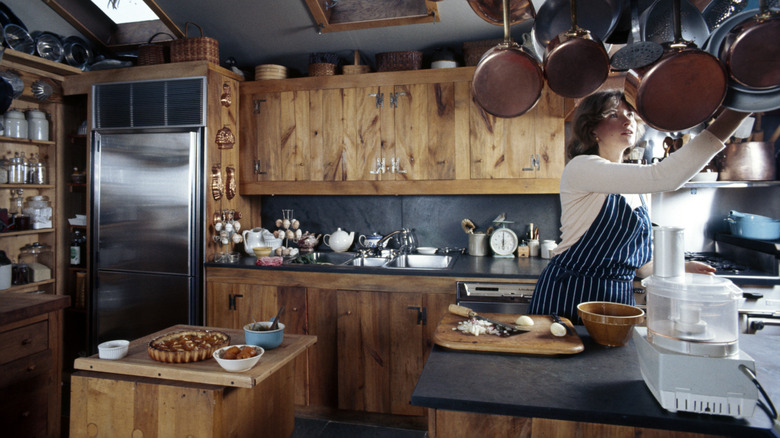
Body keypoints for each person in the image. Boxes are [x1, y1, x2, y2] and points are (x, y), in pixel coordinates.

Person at [528, 90, 750, 323]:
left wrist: (681, 266)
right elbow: (667, 176)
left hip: (618, 302)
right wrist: (739, 111)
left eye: (631, 115)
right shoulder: (582, 168)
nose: (627, 121)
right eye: (613, 115)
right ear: (592, 128)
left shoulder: (638, 186)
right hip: (571, 293)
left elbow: (642, 266)